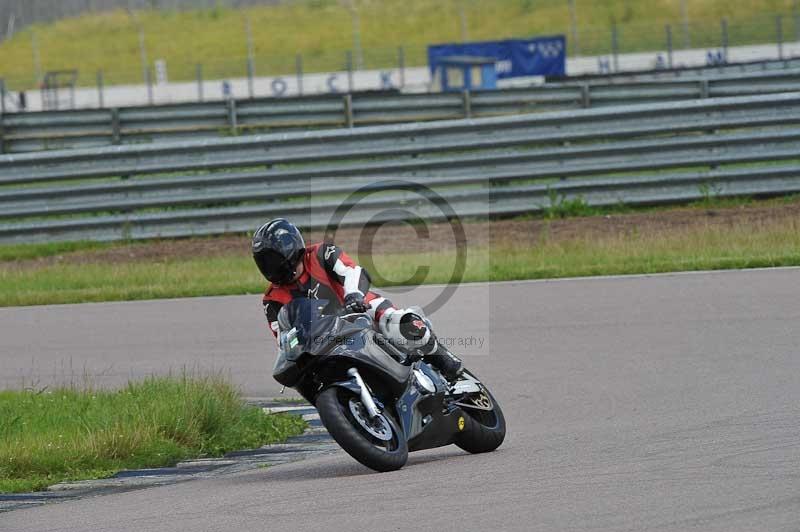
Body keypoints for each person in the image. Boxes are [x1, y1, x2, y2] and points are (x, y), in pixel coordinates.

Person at [252, 218, 463, 381]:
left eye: (273, 259)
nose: (271, 266)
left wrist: (353, 295)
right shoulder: (272, 300)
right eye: (264, 262)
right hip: (326, 341)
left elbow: (352, 272)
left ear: (290, 248)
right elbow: (283, 338)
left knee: (402, 323)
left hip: (361, 309)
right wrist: (295, 347)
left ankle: (444, 359)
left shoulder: (321, 254)